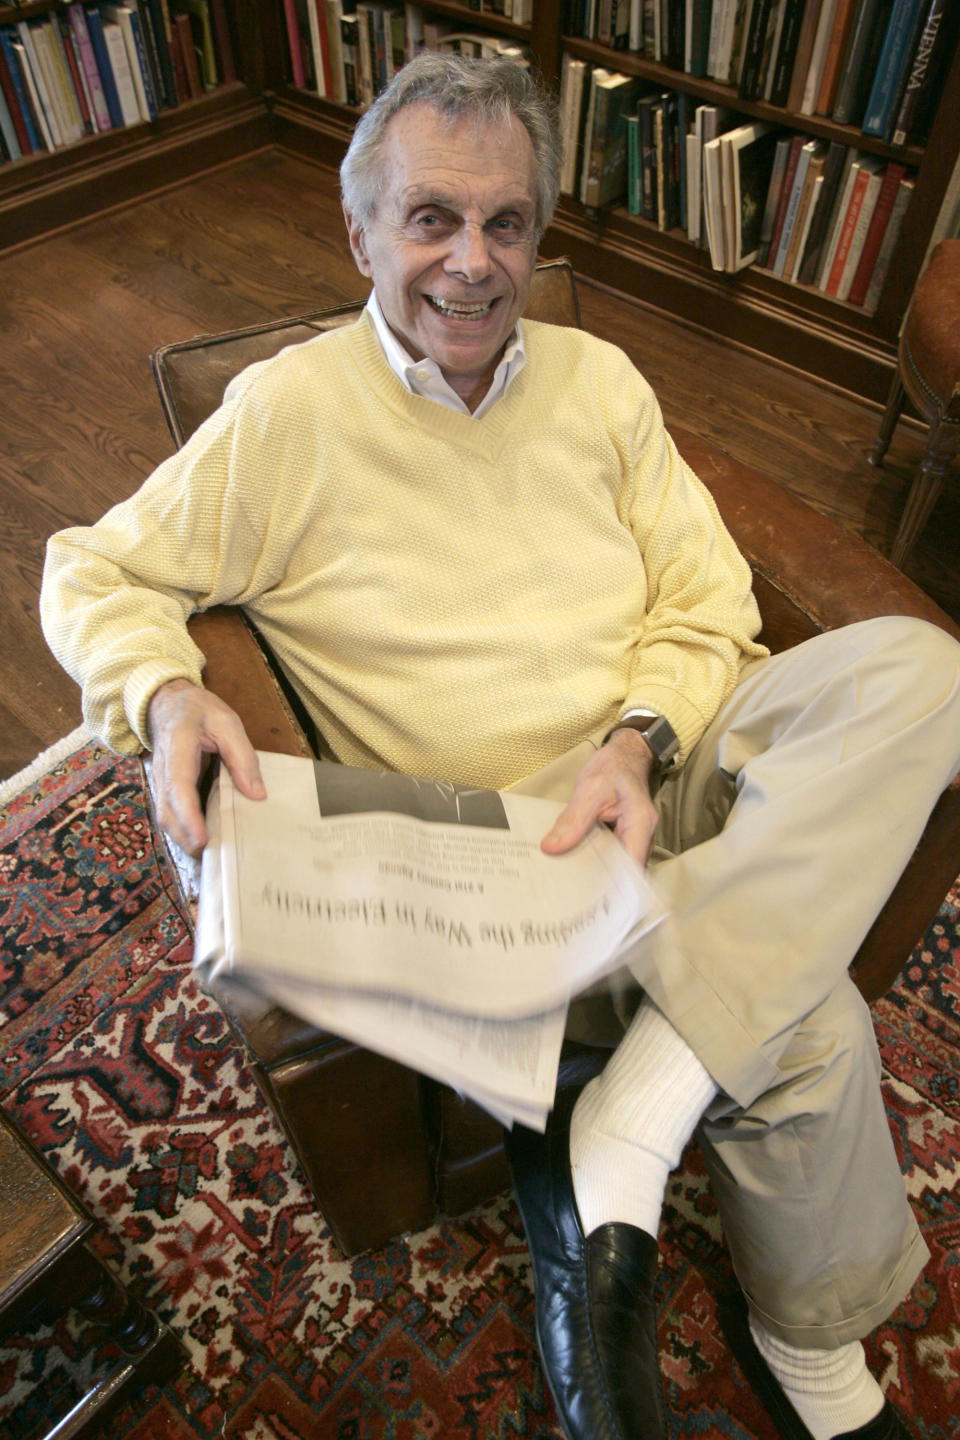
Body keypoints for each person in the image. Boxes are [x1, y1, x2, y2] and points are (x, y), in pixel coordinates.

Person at [40, 50, 960, 1440]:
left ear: (539, 232)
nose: (472, 264)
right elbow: (89, 570)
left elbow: (710, 603)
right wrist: (167, 695)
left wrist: (637, 742)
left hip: (666, 778)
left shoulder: (600, 382)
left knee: (924, 671)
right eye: (430, 219)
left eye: (507, 224)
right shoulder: (289, 415)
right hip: (510, 867)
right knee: (807, 1017)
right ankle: (810, 1348)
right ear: (360, 231)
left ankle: (632, 1107)